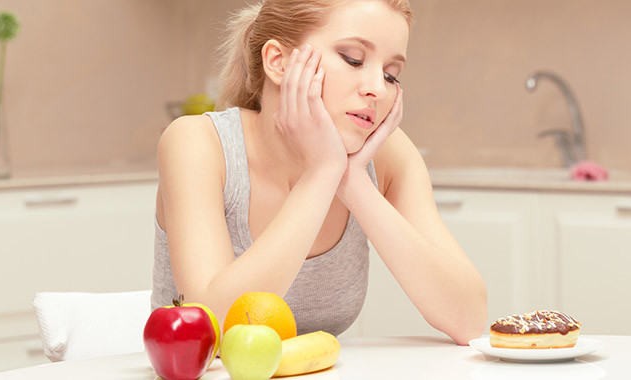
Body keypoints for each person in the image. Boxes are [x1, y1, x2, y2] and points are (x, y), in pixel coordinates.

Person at [151, 0, 487, 345]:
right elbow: (216, 327)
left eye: (391, 74)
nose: (379, 88)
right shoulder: (197, 144)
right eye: (353, 59)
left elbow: (469, 319)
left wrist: (353, 182)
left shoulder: (388, 155)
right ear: (278, 62)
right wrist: (323, 172)